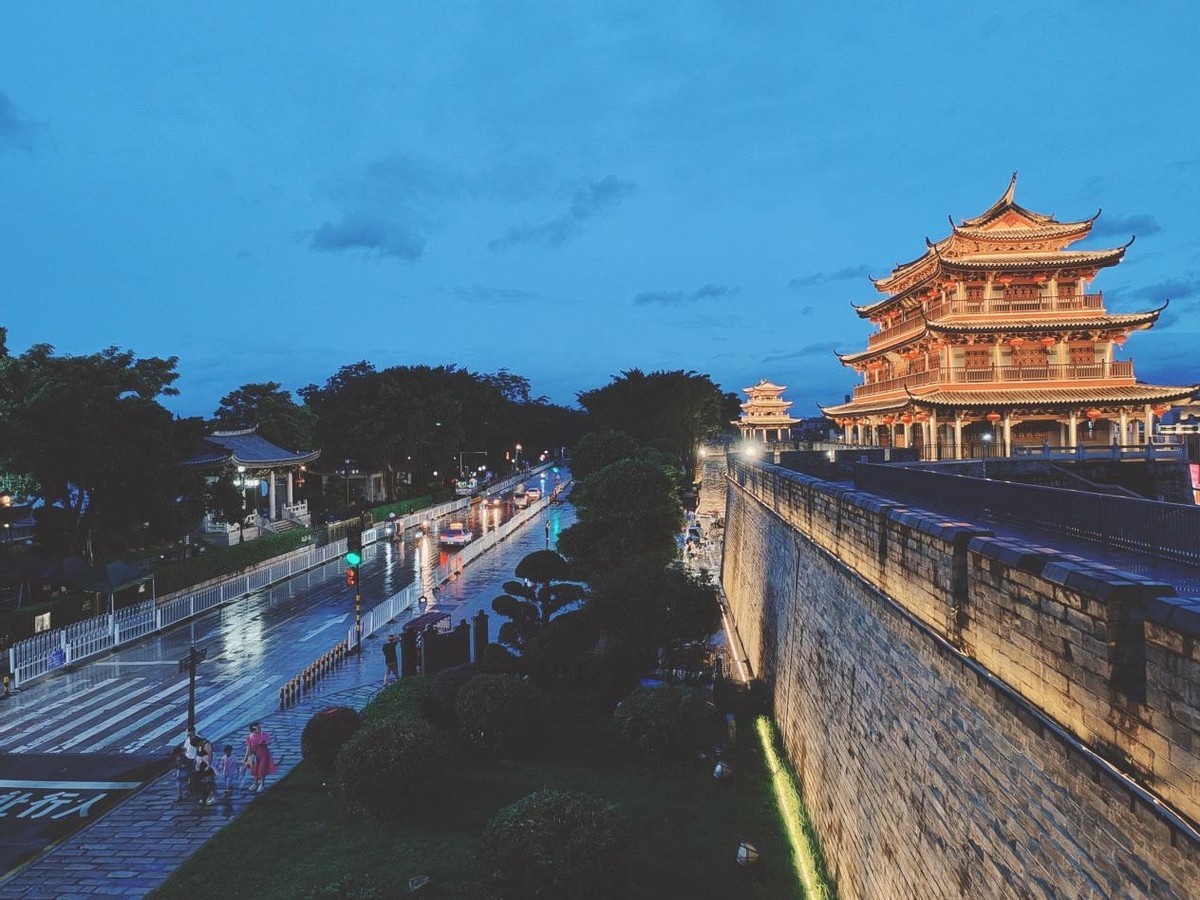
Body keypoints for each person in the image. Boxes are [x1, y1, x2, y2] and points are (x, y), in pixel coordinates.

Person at [243, 723, 278, 793]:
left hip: (263, 754)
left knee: (262, 768)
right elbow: (248, 747)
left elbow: (268, 742)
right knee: (254, 768)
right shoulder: (250, 737)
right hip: (254, 755)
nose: (260, 729)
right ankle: (255, 783)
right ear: (253, 730)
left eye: (260, 727)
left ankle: (262, 784)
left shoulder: (263, 735)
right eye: (258, 728)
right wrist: (246, 757)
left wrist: (264, 742)